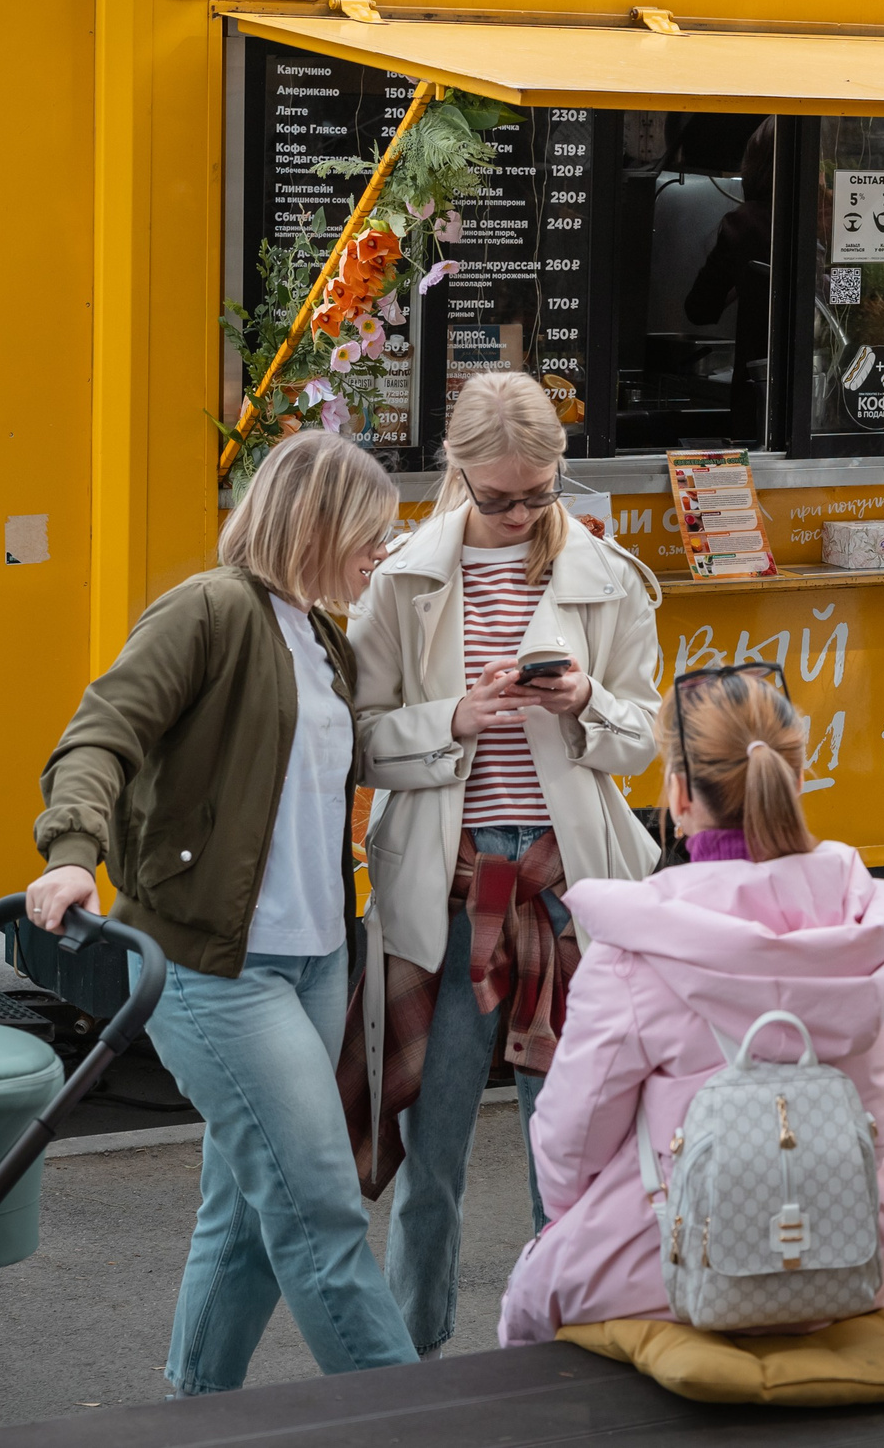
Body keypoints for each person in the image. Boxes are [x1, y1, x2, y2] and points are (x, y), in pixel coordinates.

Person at [23, 431, 416, 1395]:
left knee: (247, 1218)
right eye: (369, 533)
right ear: (315, 523)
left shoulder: (319, 636)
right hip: (212, 971)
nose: (380, 553)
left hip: (315, 960)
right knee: (321, 1210)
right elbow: (98, 736)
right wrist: (73, 855)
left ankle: (190, 1413)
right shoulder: (209, 610)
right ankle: (415, 1417)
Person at [345, 369, 664, 1356]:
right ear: (457, 475)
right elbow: (356, 737)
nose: (521, 513)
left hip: (562, 889)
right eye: (498, 498)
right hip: (445, 884)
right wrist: (457, 718)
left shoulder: (609, 578)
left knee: (563, 1146)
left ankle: (560, 1347)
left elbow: (641, 737)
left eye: (538, 494)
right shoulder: (400, 578)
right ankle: (413, 1358)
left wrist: (584, 705)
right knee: (431, 1149)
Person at [497, 663, 884, 1344]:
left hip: (674, 1255)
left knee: (531, 1301)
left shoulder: (638, 947)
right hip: (859, 1243)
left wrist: (575, 1223)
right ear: (795, 774)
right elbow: (877, 1098)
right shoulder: (864, 922)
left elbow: (571, 1142)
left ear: (678, 793)